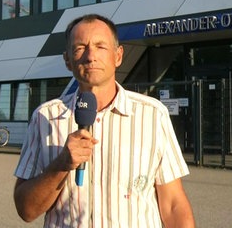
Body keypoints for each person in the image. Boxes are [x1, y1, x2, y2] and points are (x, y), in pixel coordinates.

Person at [13, 14, 195, 227]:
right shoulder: (45, 117)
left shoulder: (153, 114)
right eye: (80, 47)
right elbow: (26, 210)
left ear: (118, 56)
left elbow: (173, 205)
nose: (91, 56)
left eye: (101, 46)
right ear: (67, 61)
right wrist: (60, 165)